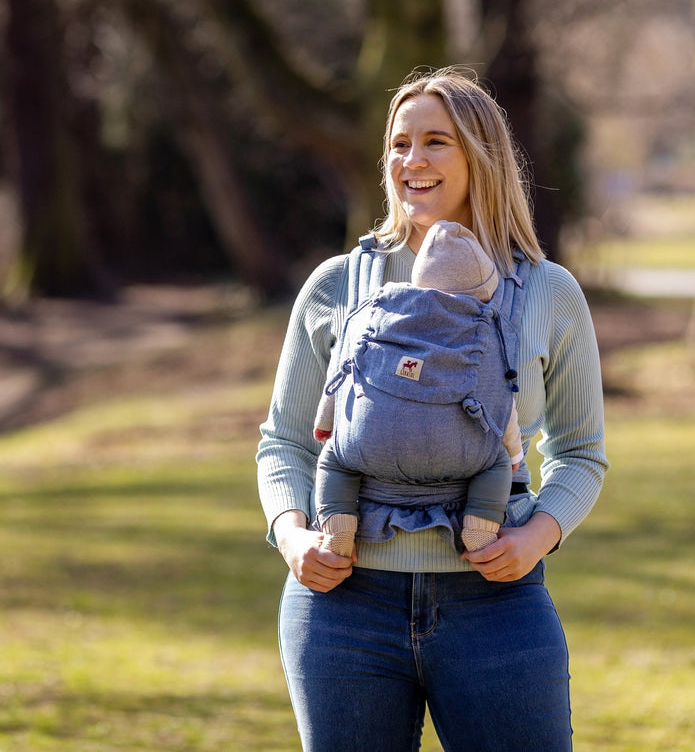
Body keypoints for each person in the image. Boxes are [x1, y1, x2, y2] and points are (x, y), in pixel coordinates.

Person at [256, 67, 607, 751]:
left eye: (435, 142)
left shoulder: (547, 292)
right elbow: (286, 443)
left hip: (497, 609)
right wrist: (294, 537)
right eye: (399, 144)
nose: (411, 161)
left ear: (481, 156)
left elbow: (580, 453)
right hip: (342, 612)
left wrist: (536, 537)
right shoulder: (337, 285)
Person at [312, 219, 525, 558]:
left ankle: (338, 533)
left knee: (336, 457)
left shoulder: (382, 309)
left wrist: (326, 425)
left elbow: (345, 372)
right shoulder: (485, 331)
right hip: (458, 452)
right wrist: (512, 455)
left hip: (372, 441)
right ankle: (480, 534)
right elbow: (501, 405)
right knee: (495, 462)